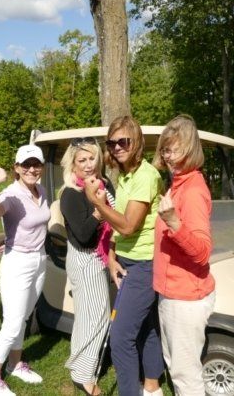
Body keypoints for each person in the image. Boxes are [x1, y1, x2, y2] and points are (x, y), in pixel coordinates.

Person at [85, 116, 164, 396]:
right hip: (130, 261)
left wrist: (97, 202)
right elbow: (119, 226)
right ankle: (153, 387)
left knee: (120, 337)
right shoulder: (125, 176)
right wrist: (113, 256)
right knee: (147, 328)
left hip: (144, 265)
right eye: (112, 142)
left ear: (137, 143)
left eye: (124, 141)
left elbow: (129, 224)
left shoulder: (145, 176)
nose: (117, 147)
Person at [0, 144, 51, 396]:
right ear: (17, 168)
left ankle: (15, 364)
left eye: (36, 164)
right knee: (11, 324)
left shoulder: (40, 189)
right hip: (17, 263)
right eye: (26, 165)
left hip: (39, 260)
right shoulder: (10, 194)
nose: (32, 169)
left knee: (24, 316)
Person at [152, 115, 215, 395]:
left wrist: (174, 222)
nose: (168, 156)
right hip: (172, 292)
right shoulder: (177, 184)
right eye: (165, 149)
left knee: (186, 376)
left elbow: (202, 252)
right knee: (176, 366)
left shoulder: (192, 190)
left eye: (174, 150)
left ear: (190, 150)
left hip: (185, 297)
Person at [59, 137, 115, 396]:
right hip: (85, 256)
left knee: (89, 315)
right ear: (73, 164)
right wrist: (98, 209)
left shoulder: (105, 183)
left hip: (102, 254)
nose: (89, 164)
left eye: (92, 158)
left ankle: (80, 368)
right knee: (97, 318)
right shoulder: (71, 194)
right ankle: (84, 374)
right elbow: (82, 234)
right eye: (82, 160)